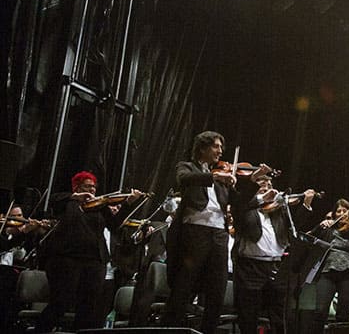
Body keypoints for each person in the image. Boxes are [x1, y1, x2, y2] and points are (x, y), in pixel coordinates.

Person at [35, 171, 143, 332]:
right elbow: (54, 200)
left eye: (94, 187)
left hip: (94, 261)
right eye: (88, 186)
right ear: (77, 187)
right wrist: (75, 197)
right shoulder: (66, 202)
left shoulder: (99, 205)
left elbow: (114, 224)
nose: (92, 190)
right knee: (61, 302)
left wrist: (128, 203)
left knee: (89, 307)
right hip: (67, 258)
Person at [163, 131, 236, 334]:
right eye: (215, 146)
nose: (220, 151)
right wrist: (213, 176)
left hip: (219, 233)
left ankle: (208, 330)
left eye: (221, 147)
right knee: (185, 284)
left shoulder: (221, 176)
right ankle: (171, 329)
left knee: (218, 287)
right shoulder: (187, 166)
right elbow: (183, 179)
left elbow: (230, 202)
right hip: (195, 232)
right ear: (202, 148)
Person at [232, 173, 314, 334]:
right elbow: (240, 205)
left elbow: (293, 227)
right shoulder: (244, 208)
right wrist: (259, 196)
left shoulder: (278, 211)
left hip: (276, 267)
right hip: (250, 268)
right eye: (262, 184)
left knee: (279, 316)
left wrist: (305, 205)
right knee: (249, 316)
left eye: (270, 185)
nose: (267, 187)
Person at [309, 198, 349, 332]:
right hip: (327, 271)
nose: (342, 213)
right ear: (334, 214)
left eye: (345, 210)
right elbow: (309, 238)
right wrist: (320, 226)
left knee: (344, 313)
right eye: (339, 211)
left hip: (347, 273)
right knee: (320, 311)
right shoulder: (328, 229)